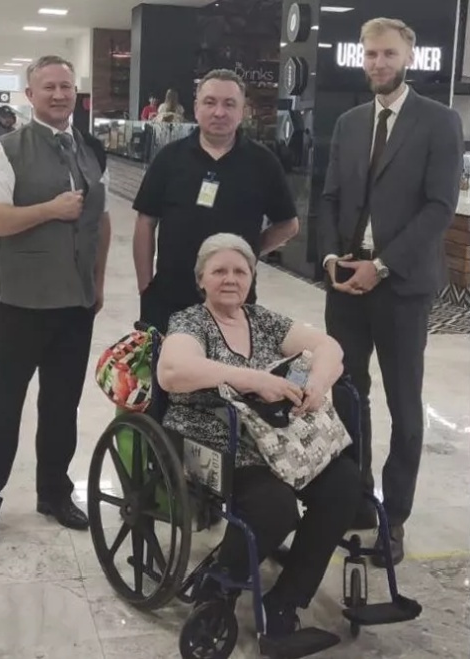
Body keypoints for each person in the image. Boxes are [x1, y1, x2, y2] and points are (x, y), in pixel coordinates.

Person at [157, 233, 361, 643]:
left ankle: (286, 600)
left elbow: (329, 347)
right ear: (201, 280)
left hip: (276, 439)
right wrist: (252, 379)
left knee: (344, 485)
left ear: (252, 277)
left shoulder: (263, 320)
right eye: (219, 271)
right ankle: (219, 586)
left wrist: (318, 383)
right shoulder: (190, 323)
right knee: (274, 506)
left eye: (240, 271)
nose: (230, 279)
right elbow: (172, 371)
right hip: (214, 440)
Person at [318, 18, 464, 566]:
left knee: (404, 404)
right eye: (370, 55)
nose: (378, 63)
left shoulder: (439, 122)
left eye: (388, 54)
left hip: (401, 286)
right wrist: (331, 258)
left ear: (408, 57)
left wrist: (380, 266)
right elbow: (329, 197)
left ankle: (394, 516)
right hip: (345, 285)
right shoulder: (350, 122)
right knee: (347, 394)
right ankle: (355, 499)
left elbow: (439, 208)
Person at [0, 54, 112, 551]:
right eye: (49, 87)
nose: (59, 95)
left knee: (62, 405)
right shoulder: (4, 150)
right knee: (2, 404)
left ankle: (54, 492)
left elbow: (101, 220)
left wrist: (98, 281)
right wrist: (49, 209)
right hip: (22, 303)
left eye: (66, 86)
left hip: (74, 305)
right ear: (30, 95)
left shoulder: (89, 149)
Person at [133, 68, 299, 334]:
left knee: (231, 362)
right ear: (196, 108)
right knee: (168, 363)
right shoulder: (169, 159)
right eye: (210, 102)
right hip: (169, 299)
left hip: (235, 303)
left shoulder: (263, 162)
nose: (219, 112)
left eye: (229, 104)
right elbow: (145, 221)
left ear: (243, 111)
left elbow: (288, 224)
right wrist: (145, 287)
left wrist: (248, 253)